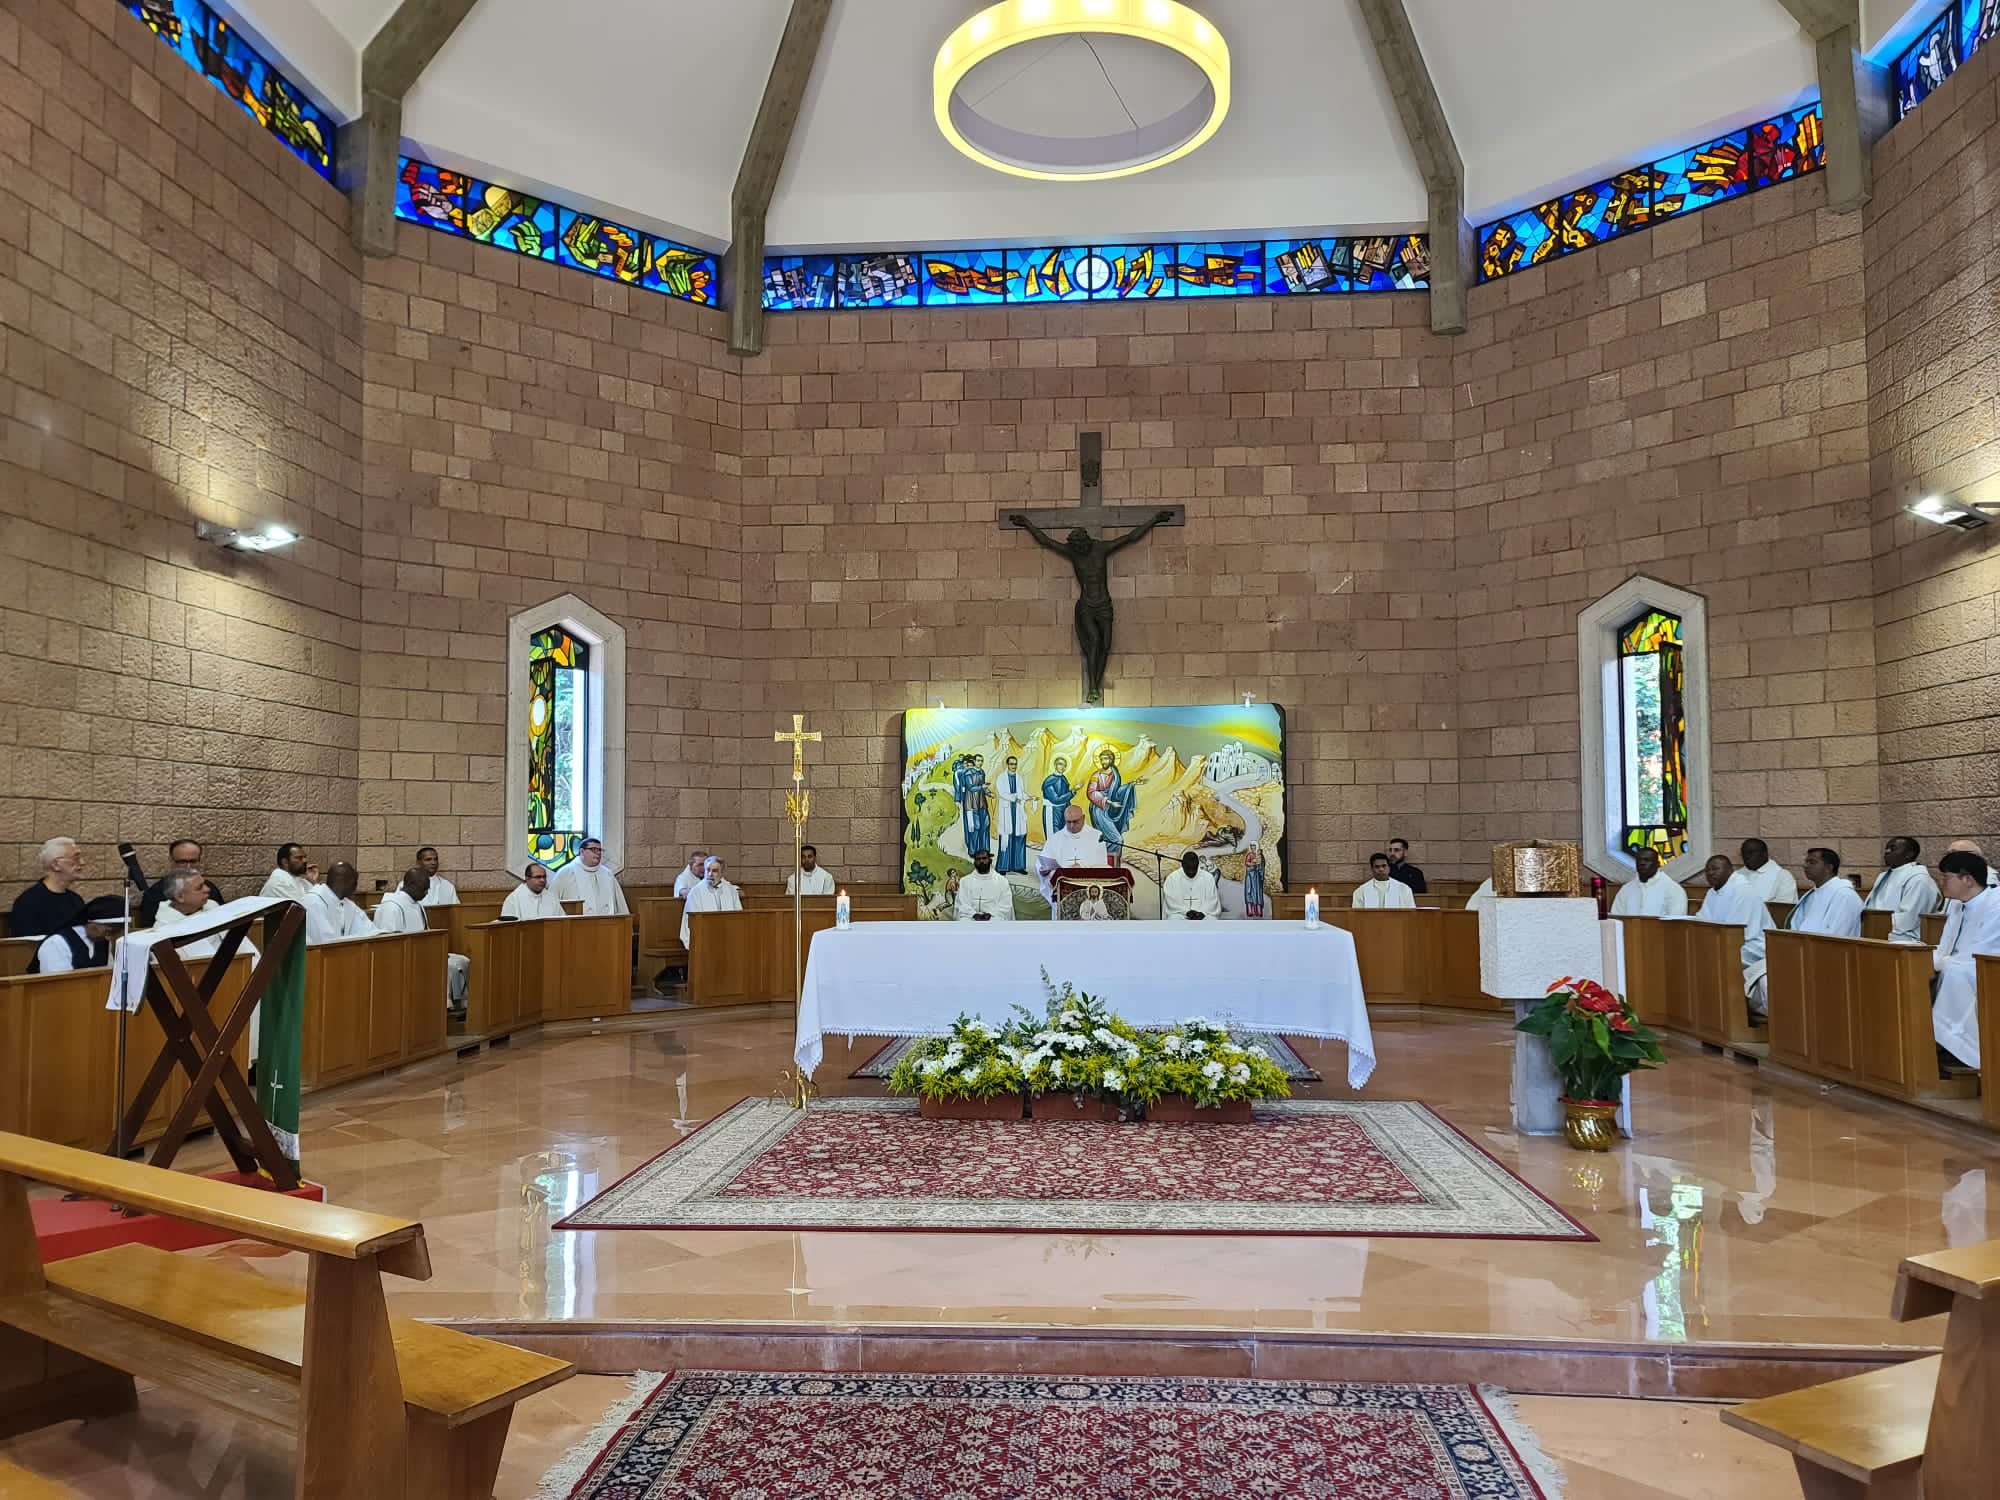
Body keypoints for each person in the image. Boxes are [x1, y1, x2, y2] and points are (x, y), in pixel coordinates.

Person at [1742, 847, 1862, 1017]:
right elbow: (1795, 928)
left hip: (1827, 961)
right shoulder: (1812, 894)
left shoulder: (1845, 896)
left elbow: (1837, 938)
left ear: (1829, 867)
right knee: (1746, 975)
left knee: (1768, 982)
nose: (1805, 865)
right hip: (1801, 955)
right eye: (1806, 861)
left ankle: (1793, 1021)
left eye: (1812, 862)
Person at [1933, 850, 2000, 1070]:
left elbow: (1981, 952)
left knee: (1953, 974)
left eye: (1946, 877)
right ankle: (1934, 1044)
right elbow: (1946, 945)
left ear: (1968, 880)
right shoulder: (1958, 904)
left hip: (1988, 969)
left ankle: (1960, 1050)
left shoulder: (1996, 904)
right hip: (1962, 966)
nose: (1942, 882)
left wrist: (1940, 962)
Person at [375, 868, 469, 1012]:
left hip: (422, 953)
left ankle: (459, 1007)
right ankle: (439, 1008)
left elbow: (426, 933)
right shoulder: (392, 907)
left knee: (462, 961)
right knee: (446, 967)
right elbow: (390, 943)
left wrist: (437, 950)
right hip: (403, 958)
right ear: (411, 884)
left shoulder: (418, 905)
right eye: (424, 888)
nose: (426, 893)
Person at [1864, 837, 1940, 944]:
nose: (1887, 851)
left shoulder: (1919, 879)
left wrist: (1875, 925)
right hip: (1875, 931)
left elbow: (1909, 919)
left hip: (1903, 940)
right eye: (1886, 848)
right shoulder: (1884, 876)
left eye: (1893, 848)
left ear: (1909, 854)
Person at [136, 839, 224, 929]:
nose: (188, 867)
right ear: (171, 861)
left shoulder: (211, 889)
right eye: (182, 862)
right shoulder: (154, 894)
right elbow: (148, 931)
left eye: (193, 861)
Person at [11, 837, 88, 939]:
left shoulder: (76, 900)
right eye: (76, 858)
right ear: (56, 864)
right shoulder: (28, 903)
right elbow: (27, 945)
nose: (82, 862)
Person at [31, 893, 126, 974]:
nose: (108, 938)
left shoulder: (103, 942)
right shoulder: (56, 944)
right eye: (108, 931)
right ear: (93, 921)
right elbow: (57, 986)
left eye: (113, 933)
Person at [1039, 804, 1109, 911]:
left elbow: (1101, 865)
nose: (1072, 826)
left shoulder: (1096, 836)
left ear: (1083, 818)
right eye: (1068, 822)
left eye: (1075, 822)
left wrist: (1081, 868)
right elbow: (1043, 861)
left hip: (1087, 887)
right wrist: (1043, 869)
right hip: (1063, 890)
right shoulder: (1055, 839)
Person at [552, 838, 628, 915]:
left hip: (606, 921)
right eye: (594, 849)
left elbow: (620, 904)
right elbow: (552, 901)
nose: (598, 853)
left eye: (600, 850)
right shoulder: (566, 873)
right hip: (576, 922)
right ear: (582, 851)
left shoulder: (607, 874)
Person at [680, 856, 743, 946]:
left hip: (728, 940)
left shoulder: (731, 891)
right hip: (704, 941)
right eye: (708, 870)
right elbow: (690, 922)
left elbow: (738, 917)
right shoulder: (696, 892)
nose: (710, 874)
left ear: (721, 873)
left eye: (715, 871)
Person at [1611, 848, 1689, 917]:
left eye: (1647, 860)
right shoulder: (1626, 889)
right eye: (1639, 860)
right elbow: (1616, 918)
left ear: (1658, 864)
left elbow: (1676, 923)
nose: (1642, 863)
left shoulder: (1674, 889)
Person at [1085, 748, 1137, 851]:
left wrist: (1132, 784)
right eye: (1101, 759)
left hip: (1110, 808)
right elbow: (1091, 792)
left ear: (1111, 759)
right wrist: (1109, 802)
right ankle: (1103, 855)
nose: (1103, 762)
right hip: (1099, 809)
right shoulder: (1096, 775)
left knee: (1108, 839)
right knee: (1117, 839)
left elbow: (1116, 792)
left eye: (1105, 759)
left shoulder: (1115, 774)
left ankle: (1106, 856)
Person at [307, 862, 373, 941]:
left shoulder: (347, 903)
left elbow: (370, 930)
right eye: (354, 882)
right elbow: (325, 941)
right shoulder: (314, 902)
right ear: (344, 882)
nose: (355, 887)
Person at [1727, 839, 1798, 906]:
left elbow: (1785, 907)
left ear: (1765, 853)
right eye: (1743, 853)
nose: (1746, 856)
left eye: (1751, 852)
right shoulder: (1737, 875)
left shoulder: (1783, 876)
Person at [1693, 856, 1758, 926]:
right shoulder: (1711, 892)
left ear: (1730, 870)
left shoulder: (1742, 889)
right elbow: (1702, 919)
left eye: (1715, 869)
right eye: (1707, 870)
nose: (1710, 873)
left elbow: (1735, 927)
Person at [993, 756, 1030, 874]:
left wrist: (1029, 797)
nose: (1014, 766)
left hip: (1017, 810)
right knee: (1006, 836)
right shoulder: (1001, 778)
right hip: (1007, 810)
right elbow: (1002, 793)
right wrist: (1014, 798)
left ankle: (1018, 866)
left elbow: (1021, 793)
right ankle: (1003, 866)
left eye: (1015, 764)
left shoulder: (1019, 778)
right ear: (1007, 765)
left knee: (1019, 836)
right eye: (1011, 764)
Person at [954, 848, 1014, 921]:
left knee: (998, 921)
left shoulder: (1002, 881)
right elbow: (962, 903)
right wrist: (974, 914)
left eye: (984, 858)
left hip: (994, 917)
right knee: (964, 921)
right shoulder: (965, 881)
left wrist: (990, 914)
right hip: (970, 917)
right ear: (974, 862)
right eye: (978, 859)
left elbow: (1005, 904)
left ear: (990, 860)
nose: (981, 861)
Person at [1163, 850, 1222, 921]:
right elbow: (1171, 902)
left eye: (1194, 869)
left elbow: (1212, 900)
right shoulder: (1172, 878)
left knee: (1211, 920)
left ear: (1198, 864)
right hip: (1180, 914)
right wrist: (1186, 912)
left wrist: (1202, 913)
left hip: (1203, 914)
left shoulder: (1208, 877)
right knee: (1174, 919)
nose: (1191, 872)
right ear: (1182, 865)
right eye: (1188, 868)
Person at [1041, 756, 1075, 840]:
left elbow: (1066, 797)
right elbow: (1055, 799)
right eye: (1060, 764)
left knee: (1063, 834)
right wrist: (1072, 792)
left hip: (1063, 810)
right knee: (1053, 834)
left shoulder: (1064, 779)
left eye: (1064, 765)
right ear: (1055, 765)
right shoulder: (1049, 780)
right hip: (1052, 811)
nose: (1062, 767)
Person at [1242, 845, 1266, 919]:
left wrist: (1259, 864)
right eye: (1252, 847)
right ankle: (1250, 911)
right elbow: (1247, 863)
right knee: (1249, 891)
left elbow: (1262, 864)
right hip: (1250, 875)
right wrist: (1253, 863)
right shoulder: (1249, 855)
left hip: (1257, 876)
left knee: (1257, 892)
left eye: (1255, 847)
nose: (1253, 849)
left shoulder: (1259, 855)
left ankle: (1258, 910)